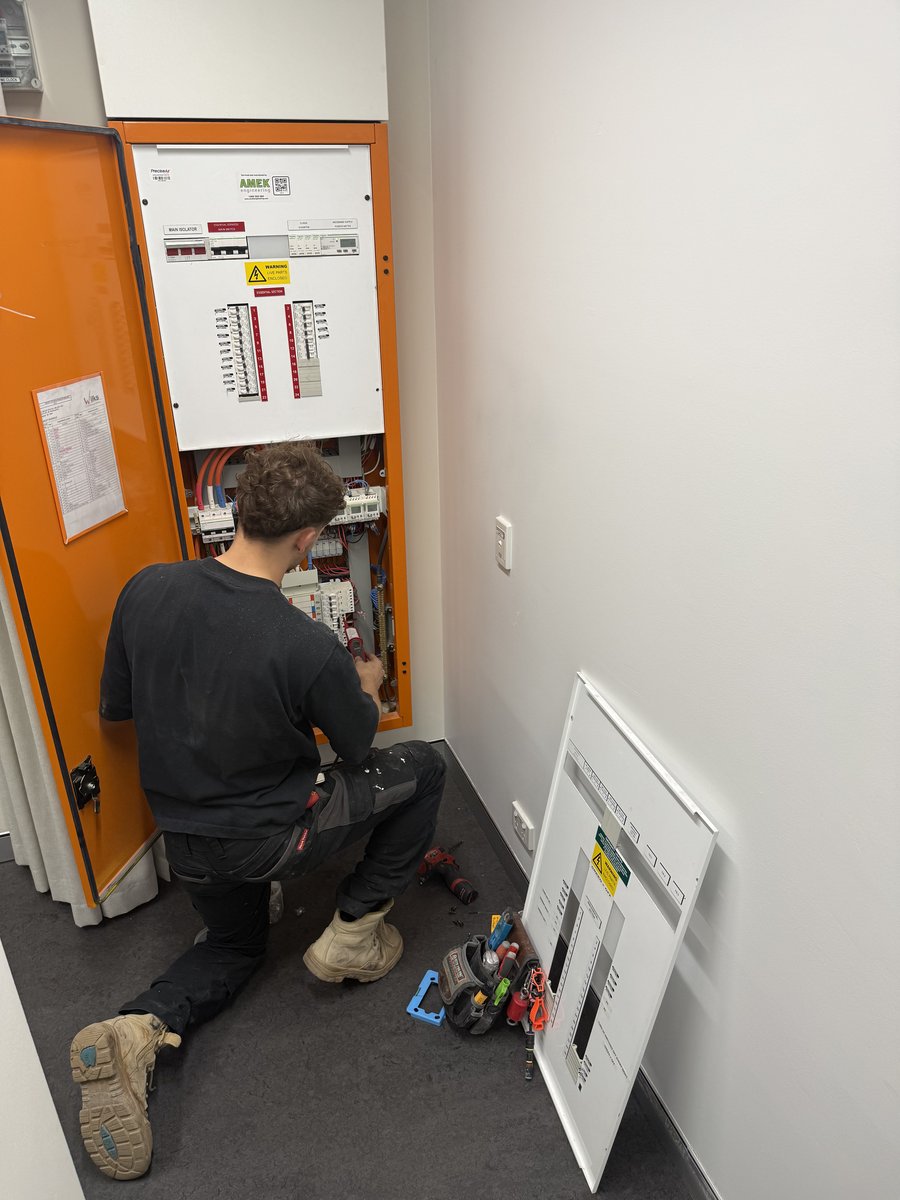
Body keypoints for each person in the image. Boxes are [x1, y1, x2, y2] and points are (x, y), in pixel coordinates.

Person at [70, 441, 445, 1181]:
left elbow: (119, 707)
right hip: (272, 838)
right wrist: (362, 683)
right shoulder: (302, 645)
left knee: (235, 948)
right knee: (425, 767)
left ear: (235, 514)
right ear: (309, 540)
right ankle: (352, 937)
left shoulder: (145, 590)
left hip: (187, 843)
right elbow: (358, 745)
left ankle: (135, 1028)